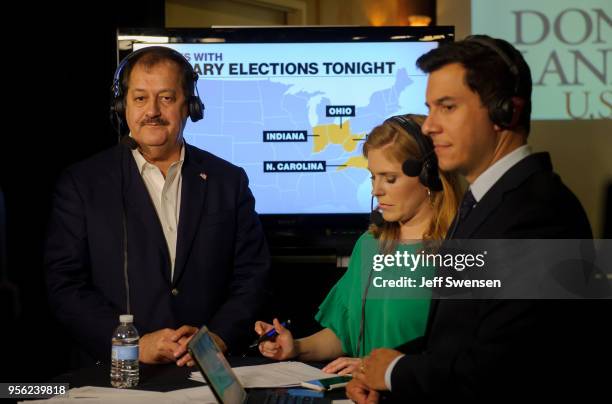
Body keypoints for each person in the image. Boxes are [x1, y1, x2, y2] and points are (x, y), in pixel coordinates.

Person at [347, 35, 595, 403]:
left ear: (504, 112)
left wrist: (396, 372)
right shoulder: (486, 203)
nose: (429, 126)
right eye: (429, 108)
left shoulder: (541, 216)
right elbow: (457, 339)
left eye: (447, 107)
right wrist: (380, 370)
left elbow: (503, 371)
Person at [45, 46, 270, 368]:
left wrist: (217, 337)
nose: (152, 111)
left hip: (206, 370)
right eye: (139, 98)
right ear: (122, 106)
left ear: (189, 105)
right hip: (115, 371)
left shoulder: (227, 180)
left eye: (166, 98)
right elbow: (64, 284)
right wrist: (131, 343)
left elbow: (253, 275)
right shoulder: (82, 183)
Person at [254, 114, 461, 375]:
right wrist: (295, 347)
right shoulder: (369, 245)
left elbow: (466, 358)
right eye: (373, 177)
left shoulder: (460, 250)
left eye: (390, 178)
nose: (376, 190)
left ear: (429, 176)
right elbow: (346, 335)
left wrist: (380, 370)